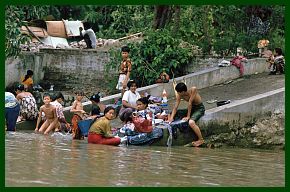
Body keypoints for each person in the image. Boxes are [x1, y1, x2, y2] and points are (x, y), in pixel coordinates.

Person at [168, 82, 205, 147]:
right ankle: (170, 118)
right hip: (192, 108)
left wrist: (188, 116)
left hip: (199, 108)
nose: (177, 94)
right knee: (172, 113)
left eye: (178, 92)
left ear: (182, 92)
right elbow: (175, 107)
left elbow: (190, 103)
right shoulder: (179, 95)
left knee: (191, 122)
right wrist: (171, 118)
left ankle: (201, 139)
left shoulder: (193, 90)